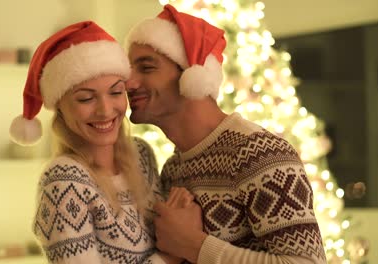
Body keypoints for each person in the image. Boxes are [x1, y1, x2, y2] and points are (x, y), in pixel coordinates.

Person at [125, 4, 327, 264]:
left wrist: (196, 246)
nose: (128, 82)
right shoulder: (173, 169)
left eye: (146, 67)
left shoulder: (259, 153)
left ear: (190, 74)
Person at [9, 21, 193, 264]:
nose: (105, 110)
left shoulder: (142, 156)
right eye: (86, 98)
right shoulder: (64, 182)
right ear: (61, 108)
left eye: (116, 92)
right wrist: (171, 256)